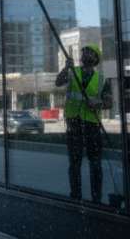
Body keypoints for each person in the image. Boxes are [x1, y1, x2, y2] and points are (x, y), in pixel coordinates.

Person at [55, 44, 112, 203]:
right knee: (74, 164)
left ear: (95, 59)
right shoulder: (73, 72)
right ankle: (75, 196)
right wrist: (66, 68)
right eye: (84, 51)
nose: (85, 54)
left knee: (95, 164)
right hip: (74, 124)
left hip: (92, 126)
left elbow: (109, 103)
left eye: (89, 52)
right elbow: (58, 82)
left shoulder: (101, 79)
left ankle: (96, 199)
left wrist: (98, 103)